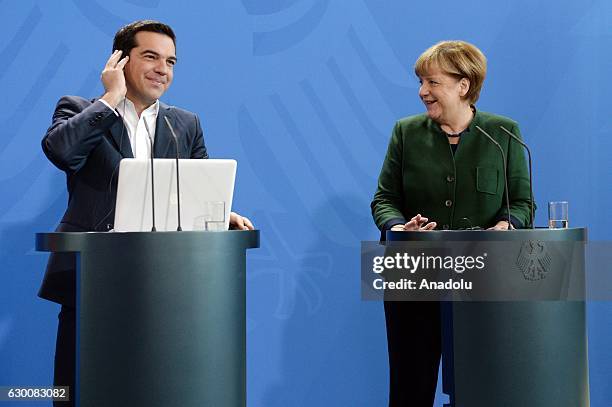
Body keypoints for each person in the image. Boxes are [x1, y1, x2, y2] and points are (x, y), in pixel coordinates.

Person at [40, 20, 253, 406]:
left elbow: (198, 184)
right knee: (77, 389)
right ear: (119, 60)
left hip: (165, 286)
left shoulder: (185, 124)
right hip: (93, 282)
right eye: (151, 57)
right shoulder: (81, 109)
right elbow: (61, 153)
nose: (163, 69)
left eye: (170, 61)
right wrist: (109, 99)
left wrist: (223, 213)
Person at [370, 40, 533, 406]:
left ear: (464, 85)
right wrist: (398, 229)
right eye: (421, 82)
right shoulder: (405, 133)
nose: (422, 92)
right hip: (414, 273)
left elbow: (522, 204)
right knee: (410, 388)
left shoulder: (503, 134)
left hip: (484, 275)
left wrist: (506, 226)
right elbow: (384, 199)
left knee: (484, 388)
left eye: (432, 82)